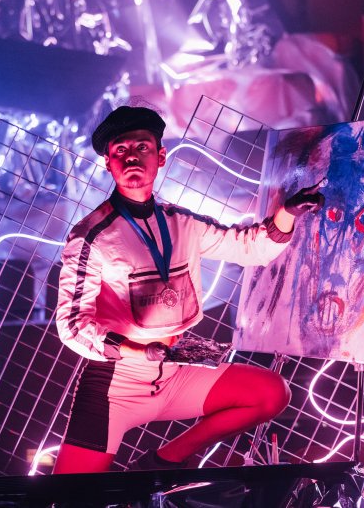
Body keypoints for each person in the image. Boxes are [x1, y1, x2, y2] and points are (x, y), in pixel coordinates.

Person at [53, 106, 323, 473]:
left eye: (143, 147)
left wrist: (289, 212)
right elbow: (72, 325)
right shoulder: (91, 236)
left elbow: (250, 248)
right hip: (116, 385)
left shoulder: (182, 223)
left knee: (272, 393)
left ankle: (163, 463)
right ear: (108, 163)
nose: (132, 156)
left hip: (176, 371)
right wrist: (135, 350)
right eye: (120, 150)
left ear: (161, 157)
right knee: (71, 501)